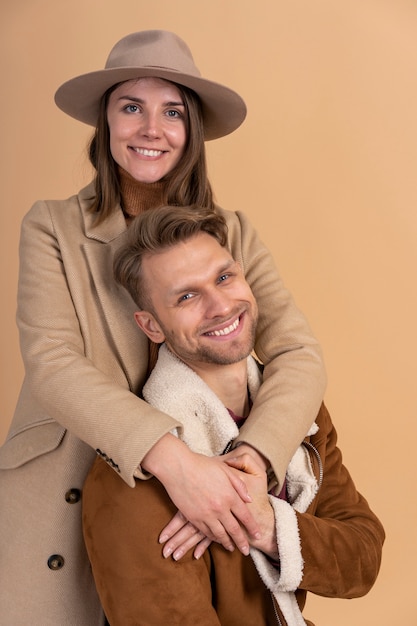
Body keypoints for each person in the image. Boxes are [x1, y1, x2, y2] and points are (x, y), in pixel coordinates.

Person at [0, 30, 327, 625]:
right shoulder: (51, 226)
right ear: (106, 122)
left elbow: (298, 353)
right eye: (132, 107)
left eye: (171, 111)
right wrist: (177, 463)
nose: (152, 129)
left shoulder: (233, 231)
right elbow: (52, 363)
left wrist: (248, 464)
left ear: (191, 130)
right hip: (69, 481)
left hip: (202, 497)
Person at [82, 205, 384, 626]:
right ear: (151, 326)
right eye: (187, 296)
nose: (220, 305)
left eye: (224, 278)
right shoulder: (131, 480)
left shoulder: (299, 411)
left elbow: (363, 558)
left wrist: (268, 526)